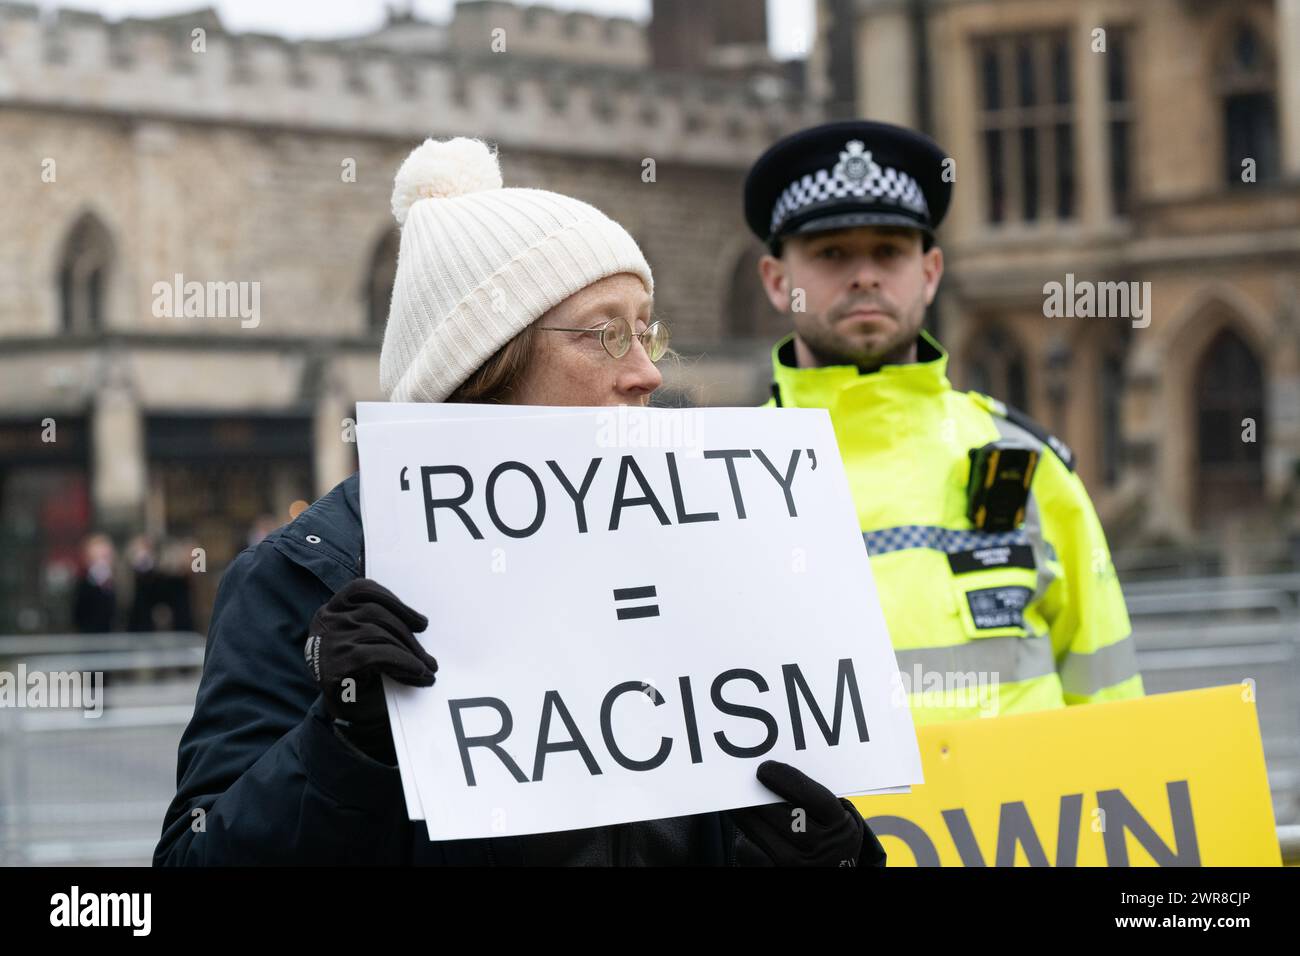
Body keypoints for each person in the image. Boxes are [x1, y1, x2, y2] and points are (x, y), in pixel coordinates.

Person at [156, 136, 886, 867]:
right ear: (486, 362)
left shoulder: (695, 553)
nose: (646, 374)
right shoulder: (303, 578)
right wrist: (344, 740)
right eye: (606, 334)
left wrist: (838, 856)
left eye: (646, 332)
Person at [743, 120, 1143, 724]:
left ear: (929, 273)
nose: (865, 276)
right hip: (828, 823)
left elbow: (1109, 693)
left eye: (888, 251)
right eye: (831, 253)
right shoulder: (721, 484)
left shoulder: (1027, 465)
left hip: (1028, 819)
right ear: (778, 281)